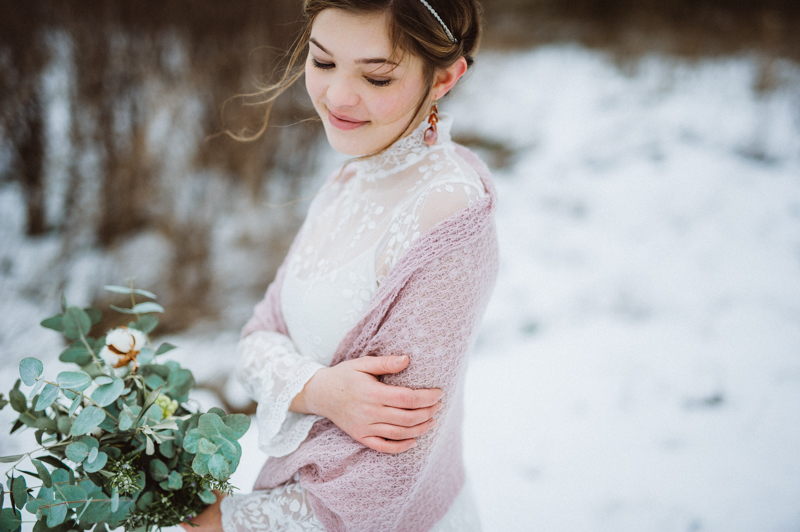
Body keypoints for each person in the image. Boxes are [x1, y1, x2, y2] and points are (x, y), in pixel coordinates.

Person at [181, 0, 498, 530]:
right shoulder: (348, 182)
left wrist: (232, 523)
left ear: (443, 78)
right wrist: (320, 391)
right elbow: (257, 337)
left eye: (376, 77)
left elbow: (389, 470)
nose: (338, 96)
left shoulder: (448, 214)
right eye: (323, 62)